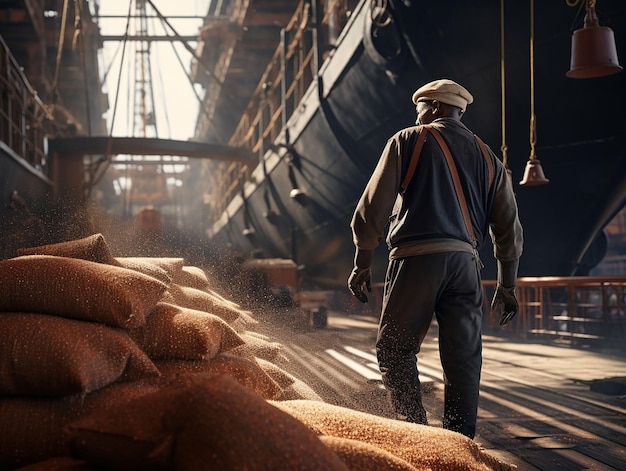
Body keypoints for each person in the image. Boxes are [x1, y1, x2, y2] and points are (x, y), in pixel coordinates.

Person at [347, 79, 523, 439]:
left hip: (417, 262)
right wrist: (507, 286)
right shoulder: (490, 157)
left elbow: (372, 209)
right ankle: (459, 444)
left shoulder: (408, 140)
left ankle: (417, 436)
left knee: (394, 350)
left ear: (436, 107)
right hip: (467, 267)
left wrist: (362, 262)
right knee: (463, 361)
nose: (418, 116)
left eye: (420, 109)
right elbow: (508, 229)